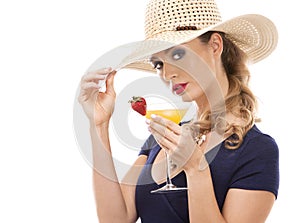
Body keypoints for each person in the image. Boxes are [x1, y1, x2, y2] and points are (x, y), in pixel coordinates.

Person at [78, 0, 279, 222]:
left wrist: (195, 169)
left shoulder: (257, 150)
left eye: (177, 55)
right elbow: (115, 219)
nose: (167, 74)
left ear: (215, 45)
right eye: (158, 64)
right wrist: (98, 125)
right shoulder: (161, 140)